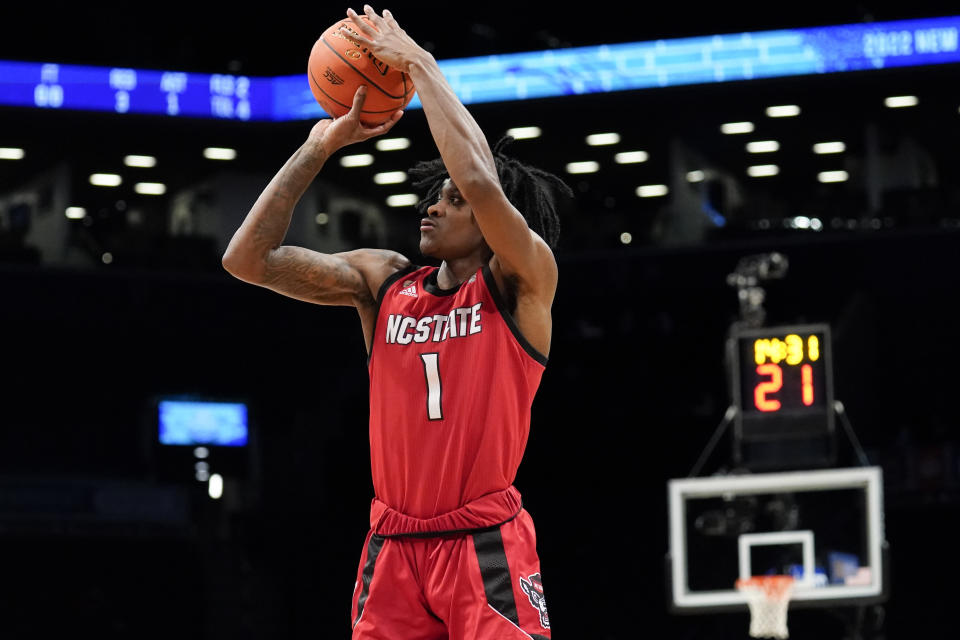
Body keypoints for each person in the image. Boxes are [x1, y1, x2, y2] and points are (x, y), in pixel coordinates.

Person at [222, 6, 572, 638]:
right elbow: (246, 259)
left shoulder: (522, 279)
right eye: (434, 196)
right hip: (391, 545)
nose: (434, 204)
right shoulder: (383, 282)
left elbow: (478, 177)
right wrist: (317, 146)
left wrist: (419, 63)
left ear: (494, 224)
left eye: (452, 201)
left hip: (481, 540)